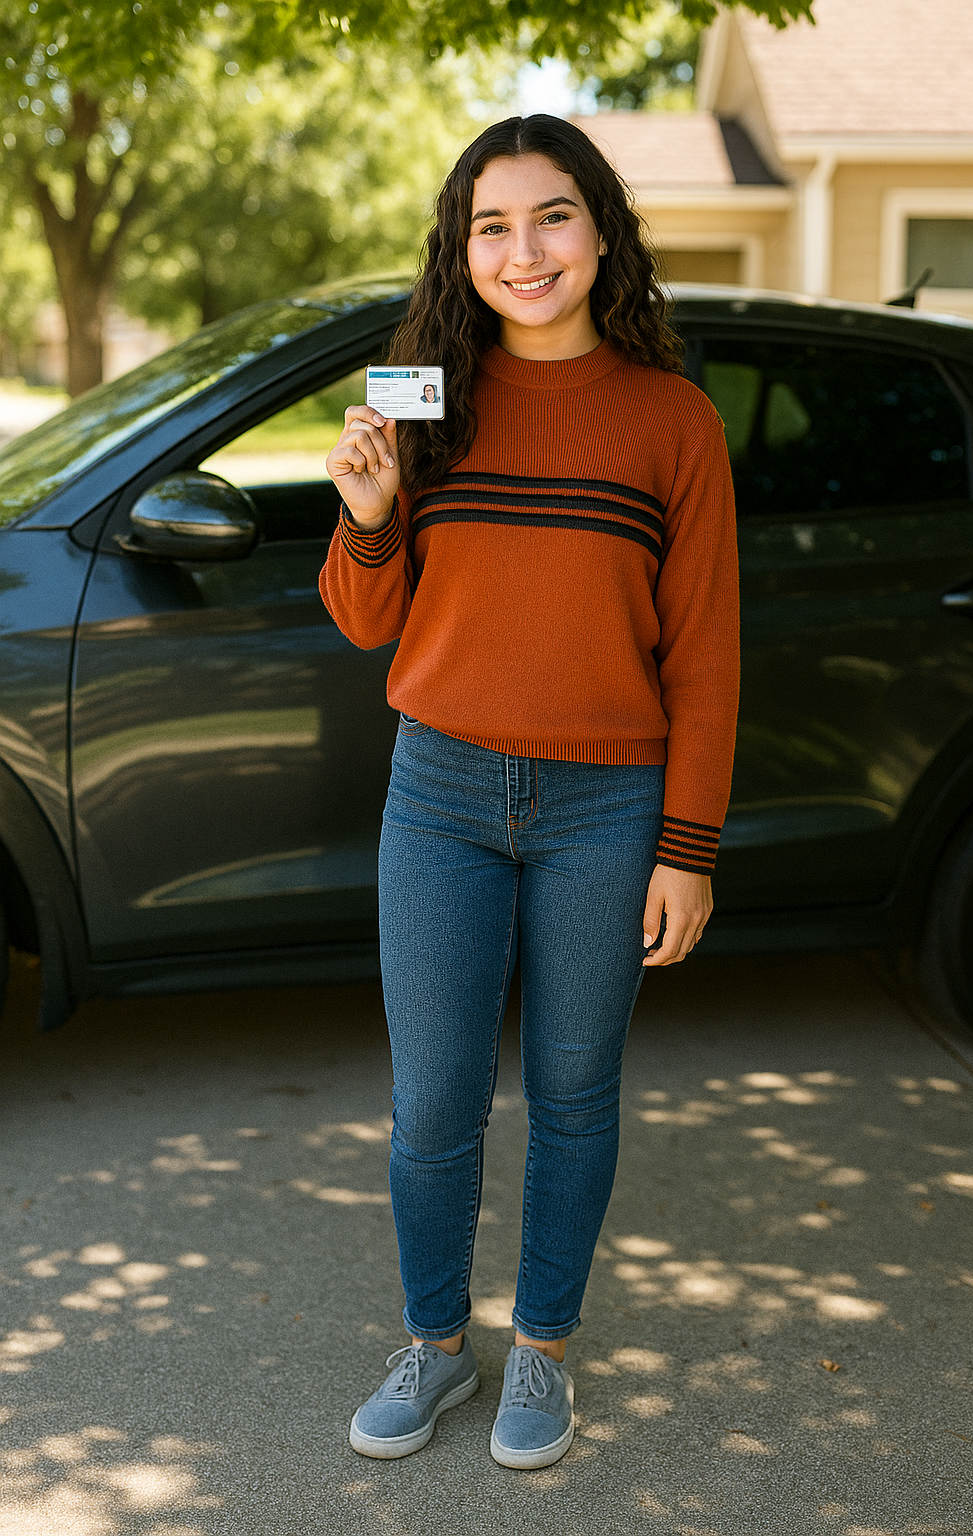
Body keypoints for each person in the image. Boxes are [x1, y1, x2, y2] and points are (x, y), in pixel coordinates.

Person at [319, 113, 739, 1471]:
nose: (524, 249)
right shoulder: (422, 393)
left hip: (607, 807)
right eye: (491, 226)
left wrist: (689, 846)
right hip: (437, 789)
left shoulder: (670, 419)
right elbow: (363, 620)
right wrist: (370, 516)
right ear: (462, 250)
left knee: (573, 1092)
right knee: (434, 1099)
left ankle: (544, 1351)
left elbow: (709, 655)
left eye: (551, 216)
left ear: (600, 230)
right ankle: (436, 1345)